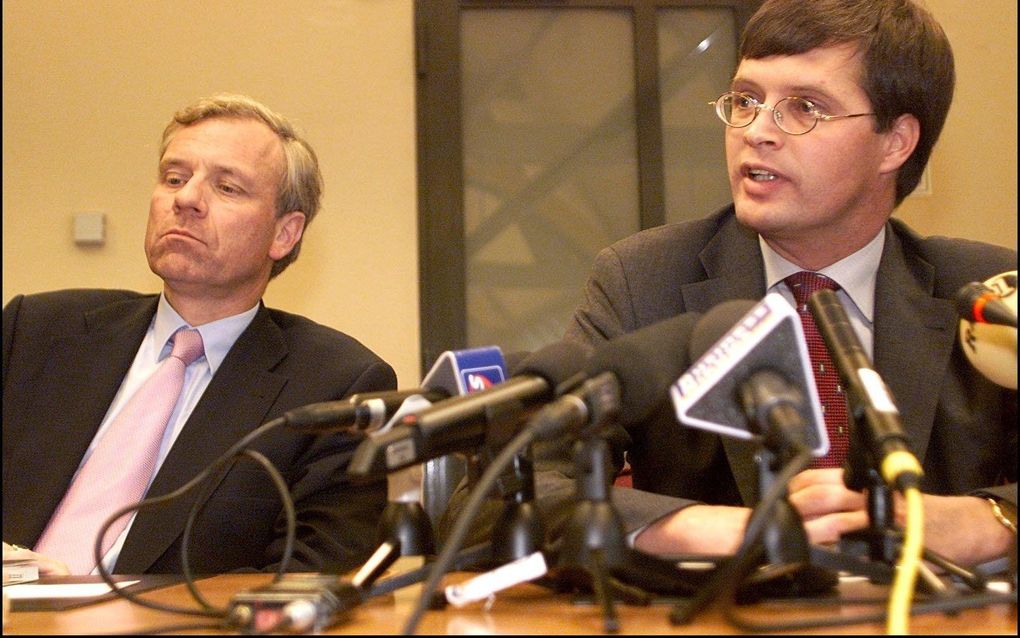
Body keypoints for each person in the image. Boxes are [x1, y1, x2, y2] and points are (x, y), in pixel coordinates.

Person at [443, 0, 1017, 571]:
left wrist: (987, 521)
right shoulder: (646, 280)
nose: (757, 131)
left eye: (804, 109)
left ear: (896, 142)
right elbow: (502, 494)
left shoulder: (985, 295)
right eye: (745, 101)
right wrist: (696, 527)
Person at [2, 94, 398, 576]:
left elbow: (310, 583)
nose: (185, 199)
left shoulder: (337, 385)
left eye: (227, 187)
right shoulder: (37, 331)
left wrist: (94, 601)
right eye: (173, 178)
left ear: (285, 234)